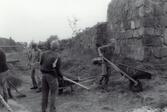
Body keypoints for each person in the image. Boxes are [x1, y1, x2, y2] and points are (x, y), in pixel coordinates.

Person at [40, 40, 63, 112]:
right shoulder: (57, 56)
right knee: (53, 94)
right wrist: (61, 76)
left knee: (44, 94)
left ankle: (43, 110)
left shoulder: (43, 54)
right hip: (52, 76)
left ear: (51, 46)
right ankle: (52, 110)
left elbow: (41, 63)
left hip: (43, 75)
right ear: (57, 47)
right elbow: (58, 69)